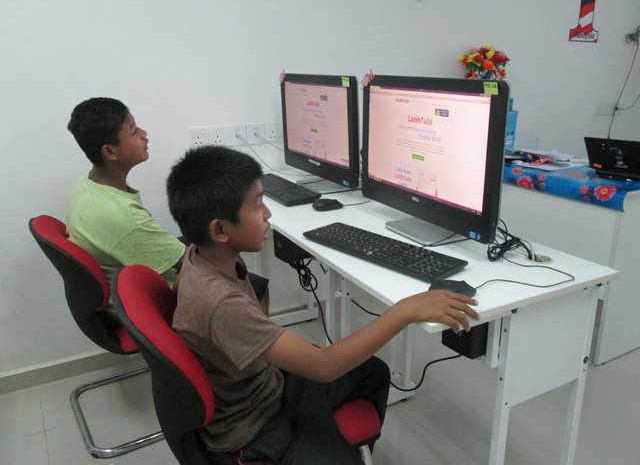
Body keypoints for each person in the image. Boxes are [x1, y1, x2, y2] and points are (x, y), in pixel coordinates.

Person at [166, 145, 479, 464]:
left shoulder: (200, 254)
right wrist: (404, 311)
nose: (268, 214)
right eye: (258, 206)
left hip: (264, 384)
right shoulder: (222, 302)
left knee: (372, 373)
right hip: (252, 428)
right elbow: (323, 367)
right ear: (220, 230)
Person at [66, 97, 186, 311]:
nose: (144, 134)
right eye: (133, 131)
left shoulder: (88, 184)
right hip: (157, 303)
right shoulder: (123, 216)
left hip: (128, 288)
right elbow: (188, 264)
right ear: (110, 152)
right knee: (237, 270)